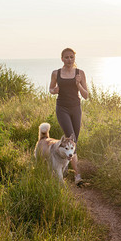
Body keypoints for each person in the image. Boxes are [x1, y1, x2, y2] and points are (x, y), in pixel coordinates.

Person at [49, 47, 89, 185]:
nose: (69, 60)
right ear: (62, 59)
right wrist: (54, 90)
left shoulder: (80, 73)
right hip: (62, 108)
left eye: (72, 57)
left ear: (74, 58)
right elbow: (51, 89)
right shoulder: (56, 73)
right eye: (66, 57)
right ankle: (78, 175)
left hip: (76, 108)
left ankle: (64, 167)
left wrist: (78, 84)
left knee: (74, 140)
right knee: (71, 136)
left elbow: (86, 95)